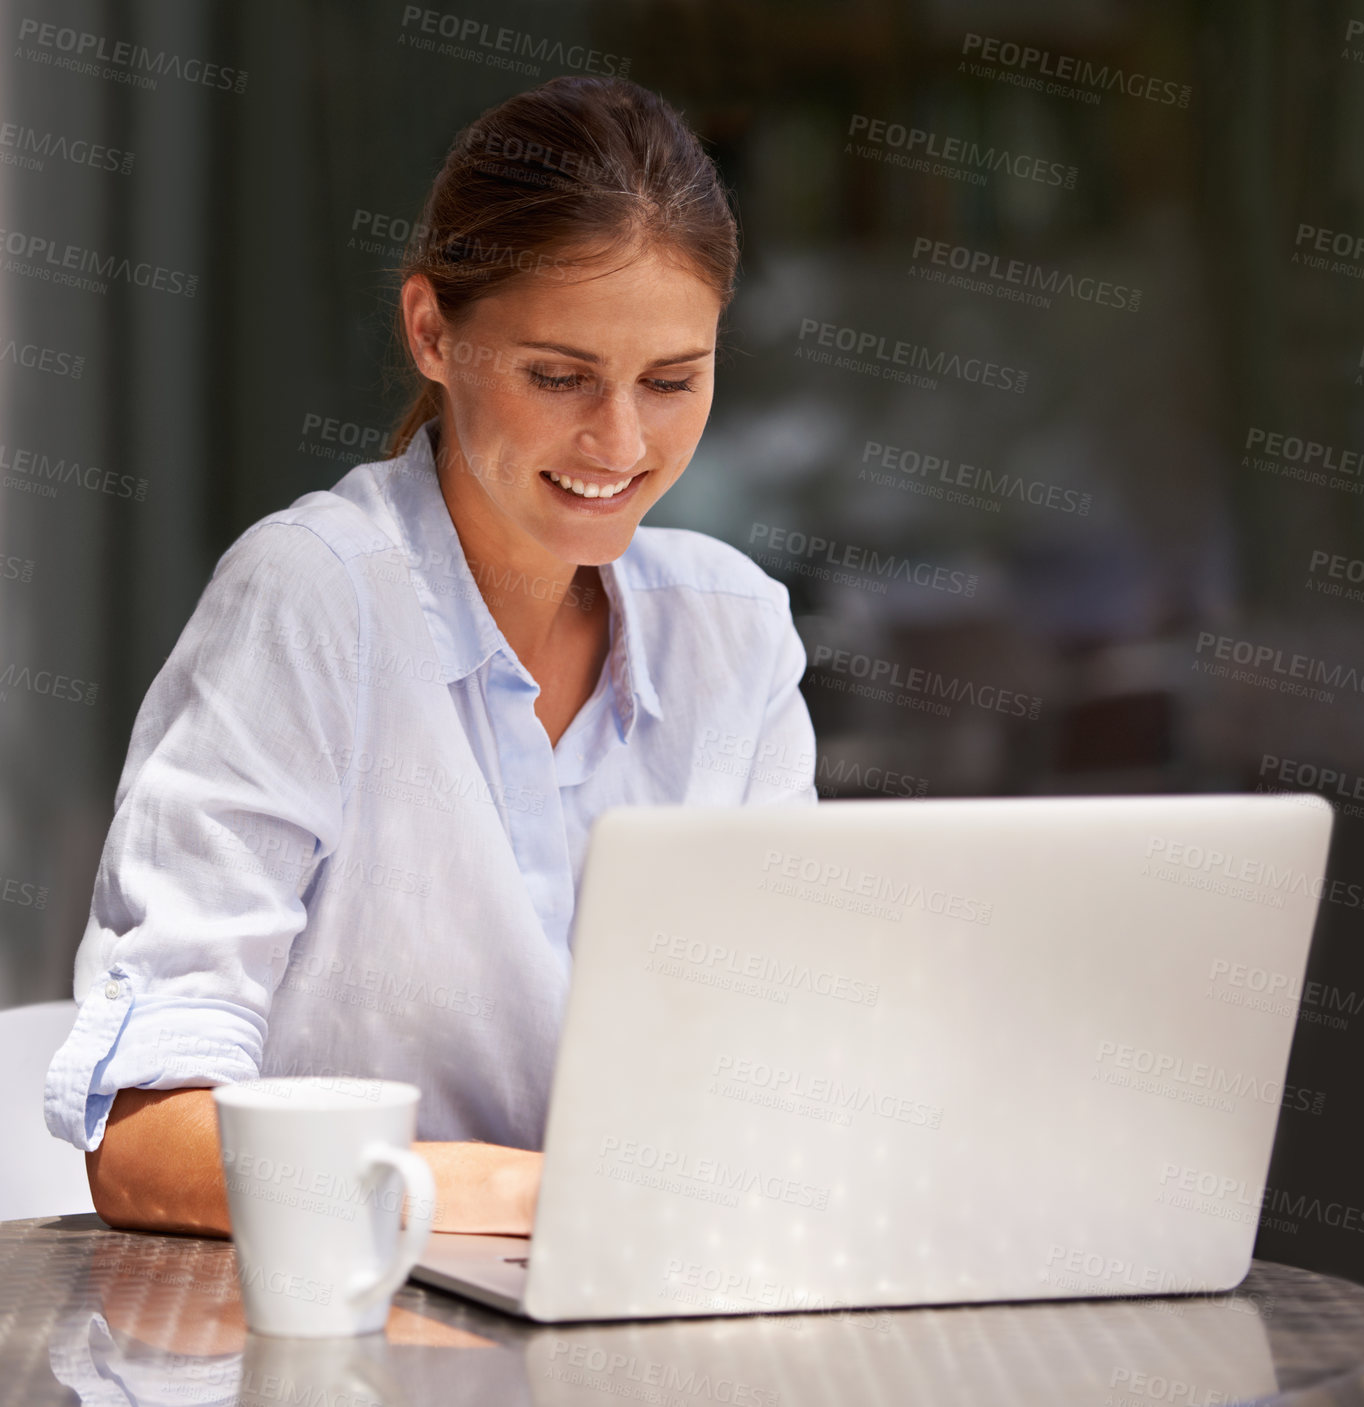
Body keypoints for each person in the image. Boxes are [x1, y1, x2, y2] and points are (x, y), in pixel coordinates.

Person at [42, 75, 817, 1239]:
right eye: (557, 377)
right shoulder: (315, 601)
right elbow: (148, 1144)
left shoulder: (735, 632)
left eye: (672, 382)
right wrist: (537, 1198)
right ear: (431, 332)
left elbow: (790, 1063)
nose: (620, 442)